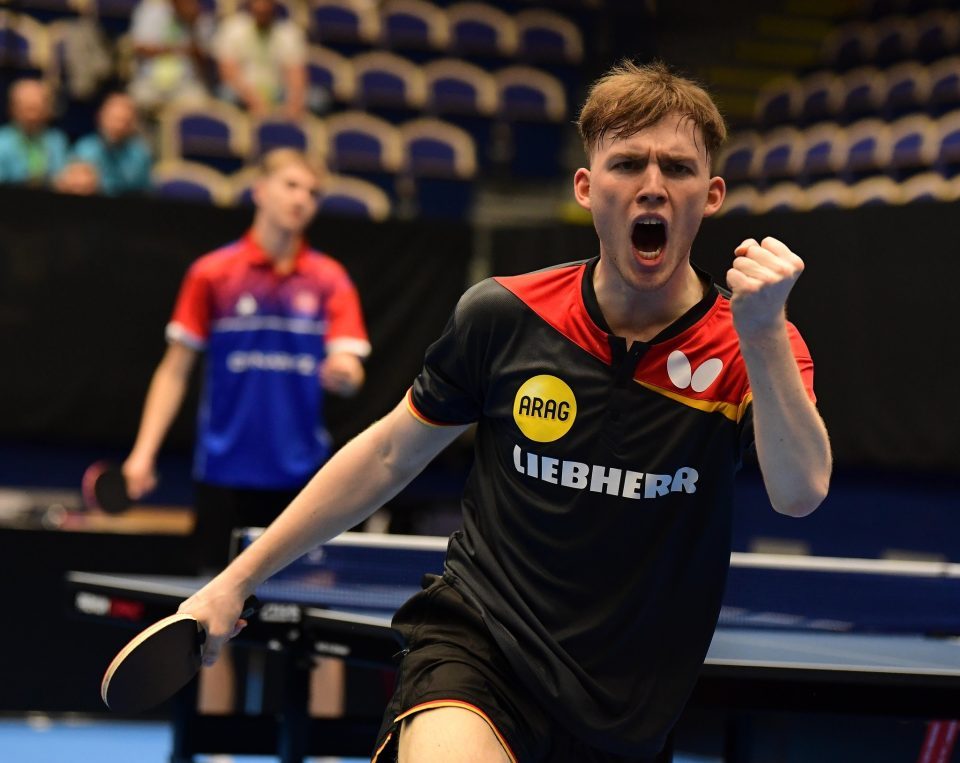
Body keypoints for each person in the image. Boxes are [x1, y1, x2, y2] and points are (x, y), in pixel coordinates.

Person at [178, 61, 832, 762]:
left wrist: (761, 333)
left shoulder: (755, 345)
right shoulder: (506, 315)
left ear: (710, 194)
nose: (652, 185)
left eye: (676, 167)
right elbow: (390, 453)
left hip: (628, 702)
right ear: (587, 188)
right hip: (481, 645)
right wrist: (235, 580)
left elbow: (799, 493)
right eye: (627, 163)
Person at [123, 147, 369, 574]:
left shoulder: (330, 278)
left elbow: (350, 367)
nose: (301, 199)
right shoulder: (212, 273)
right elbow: (174, 370)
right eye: (291, 185)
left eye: (312, 193)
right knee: (215, 614)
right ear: (259, 191)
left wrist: (344, 374)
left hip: (302, 478)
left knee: (293, 611)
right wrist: (143, 454)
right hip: (224, 472)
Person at [211, 0, 308, 120]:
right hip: (243, 92)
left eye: (266, 3)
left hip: (277, 92)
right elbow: (228, 72)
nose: (261, 8)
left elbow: (296, 74)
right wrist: (253, 99)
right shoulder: (233, 28)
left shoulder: (289, 33)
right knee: (226, 94)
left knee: (315, 99)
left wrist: (294, 104)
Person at [128, 0, 215, 116]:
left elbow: (204, 57)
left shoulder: (201, 18)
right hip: (150, 80)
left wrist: (192, 24)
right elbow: (139, 46)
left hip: (186, 83)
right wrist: (178, 50)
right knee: (134, 102)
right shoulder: (150, 10)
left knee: (200, 106)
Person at [68, 93, 153, 196]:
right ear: (101, 117)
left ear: (132, 124)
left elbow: (146, 191)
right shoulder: (85, 148)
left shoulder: (140, 154)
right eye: (114, 119)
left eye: (124, 121)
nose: (118, 126)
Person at [0, 79, 68, 187]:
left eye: (37, 109)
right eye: (27, 109)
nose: (32, 116)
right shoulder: (2, 141)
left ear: (48, 110)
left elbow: (62, 179)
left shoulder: (57, 140)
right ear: (12, 109)